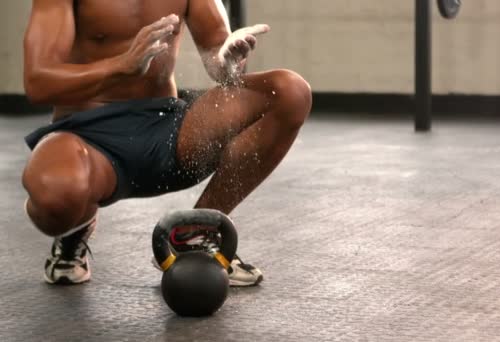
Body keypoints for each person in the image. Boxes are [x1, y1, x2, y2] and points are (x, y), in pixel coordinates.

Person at [21, 0, 312, 286]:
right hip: (87, 137)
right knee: (56, 194)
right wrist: (120, 66)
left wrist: (228, 60)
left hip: (167, 131)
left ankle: (194, 233)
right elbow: (38, 83)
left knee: (289, 92)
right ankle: (75, 230)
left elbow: (218, 57)